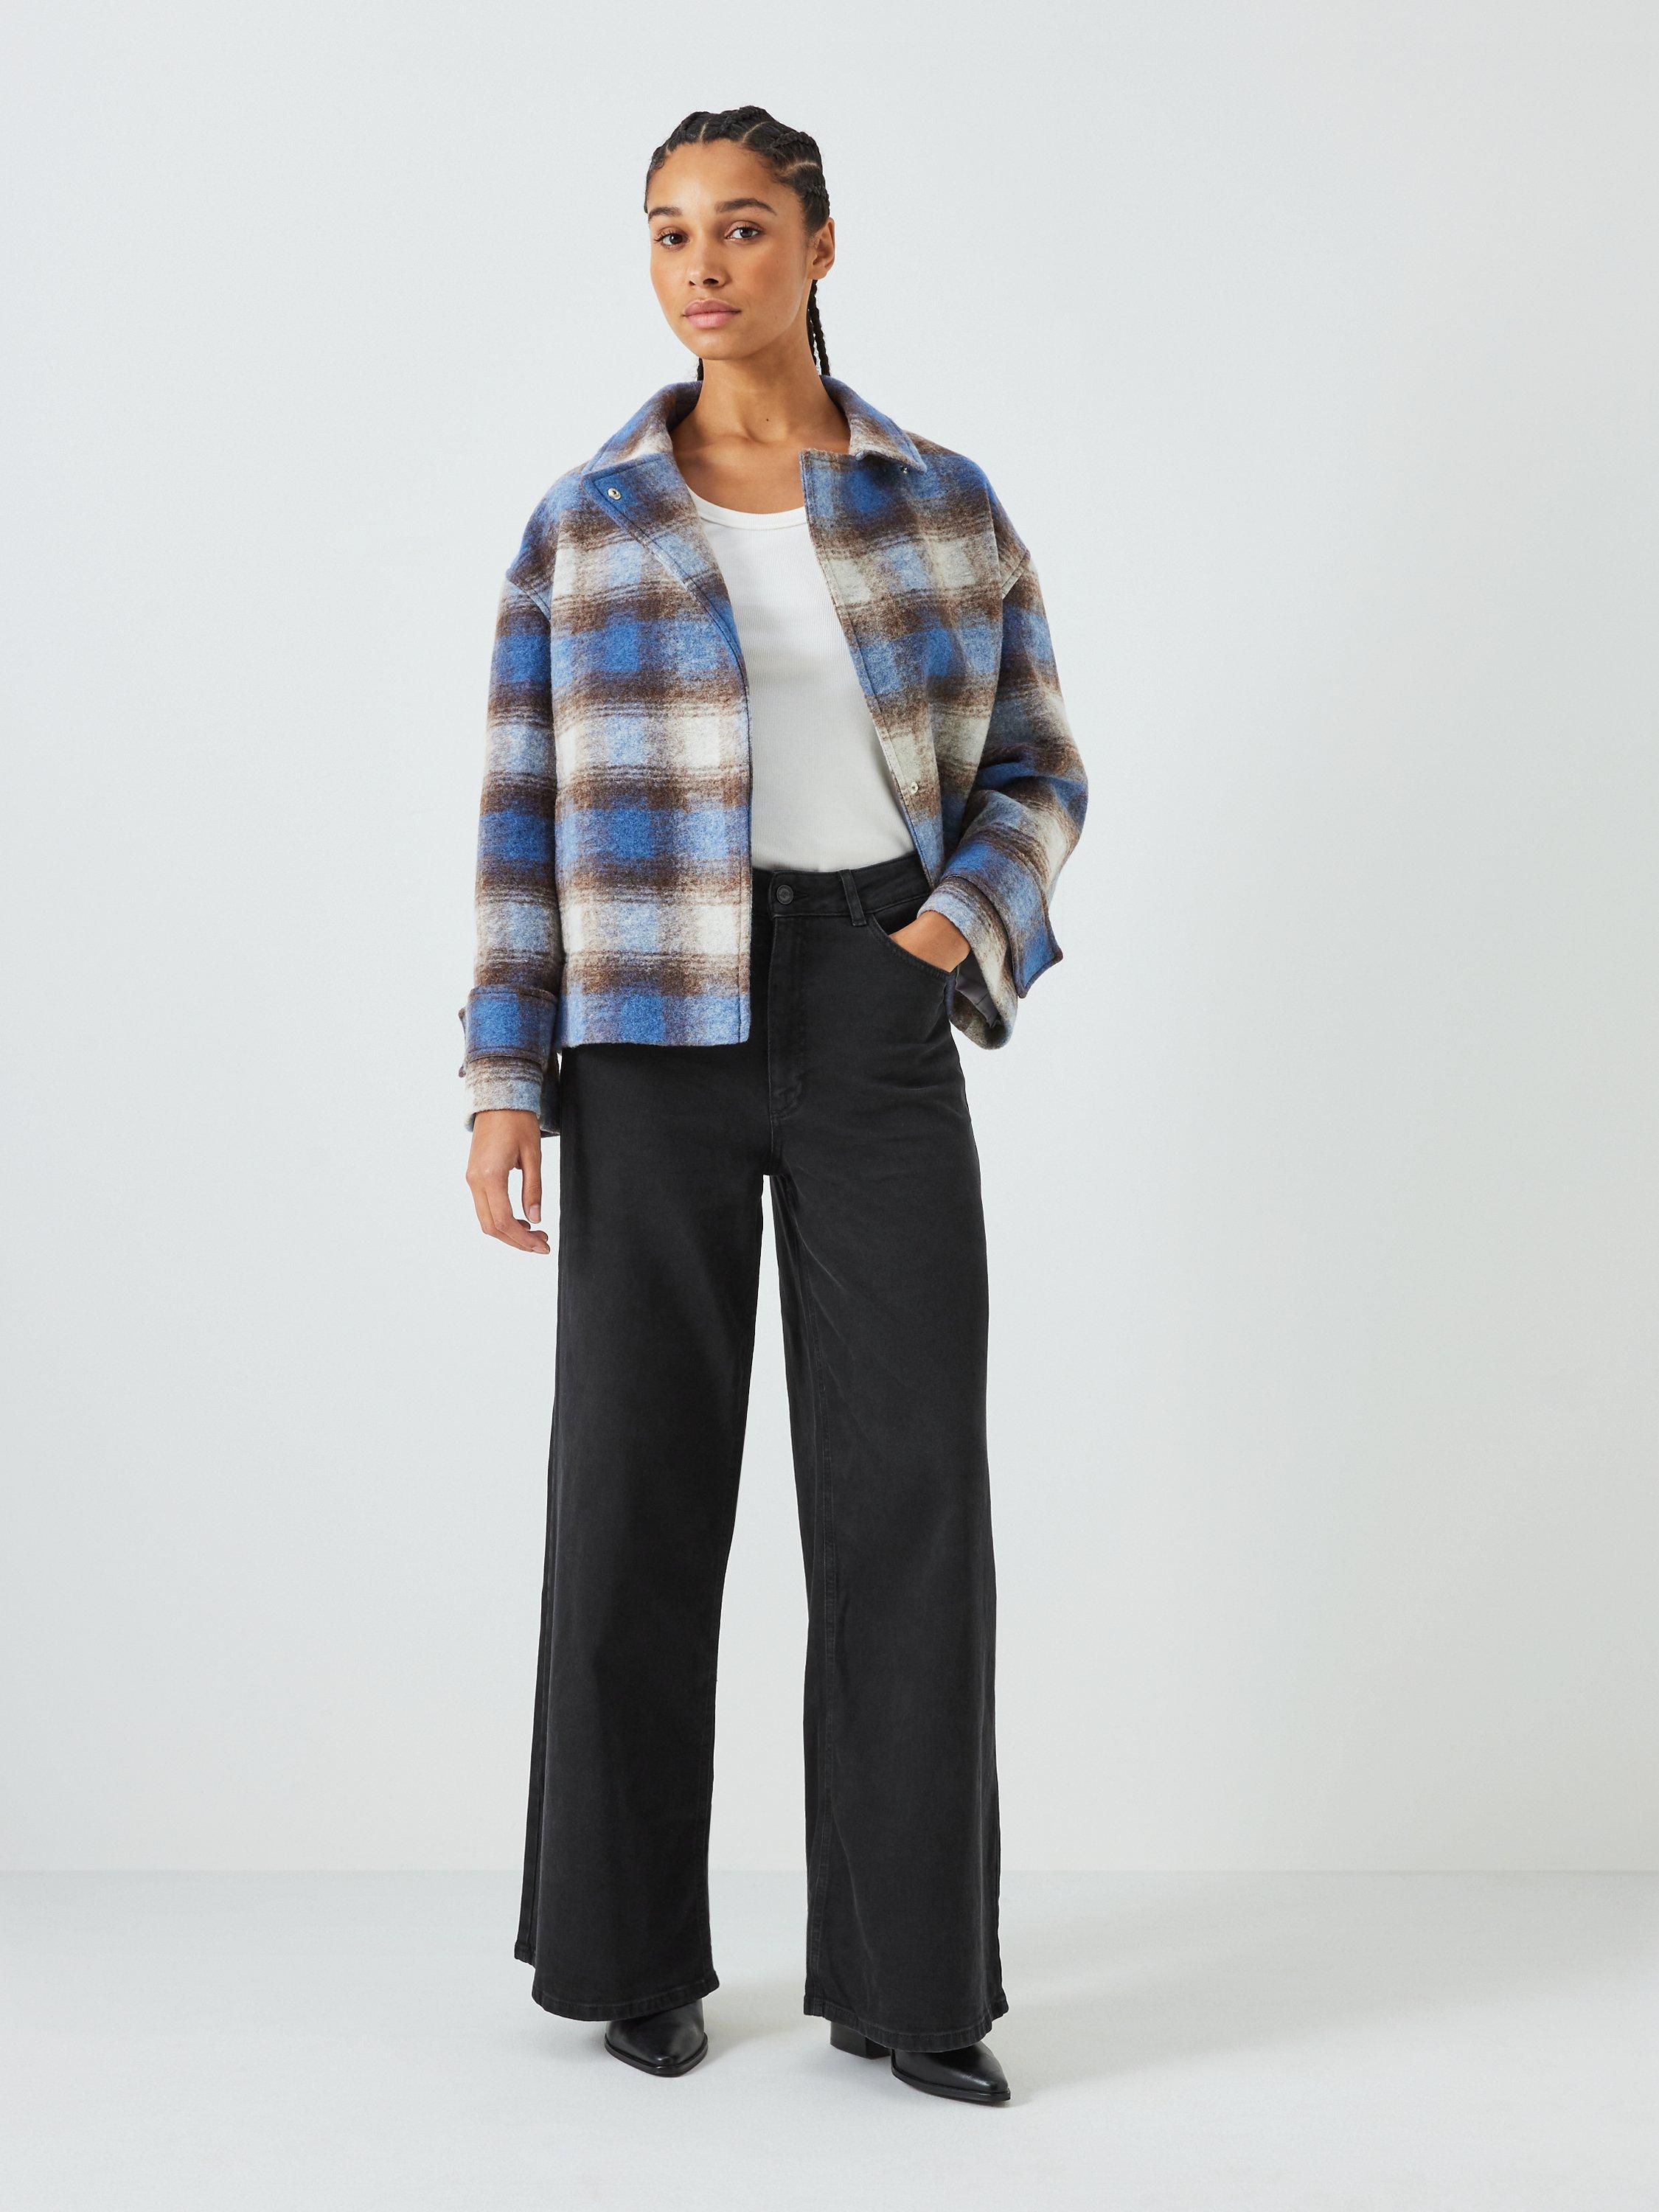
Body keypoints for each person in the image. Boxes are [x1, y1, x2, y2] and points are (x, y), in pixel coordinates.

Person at [459, 105, 1088, 2107]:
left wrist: (947, 931)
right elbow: (520, 815)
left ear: (820, 245)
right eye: (668, 233)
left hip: (869, 1008)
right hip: (645, 1029)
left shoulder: (936, 502)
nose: (702, 266)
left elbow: (1039, 768)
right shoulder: (586, 523)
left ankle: (915, 1985)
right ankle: (628, 1953)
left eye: (740, 227)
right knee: (635, 1486)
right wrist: (501, 1076)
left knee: (910, 1496)